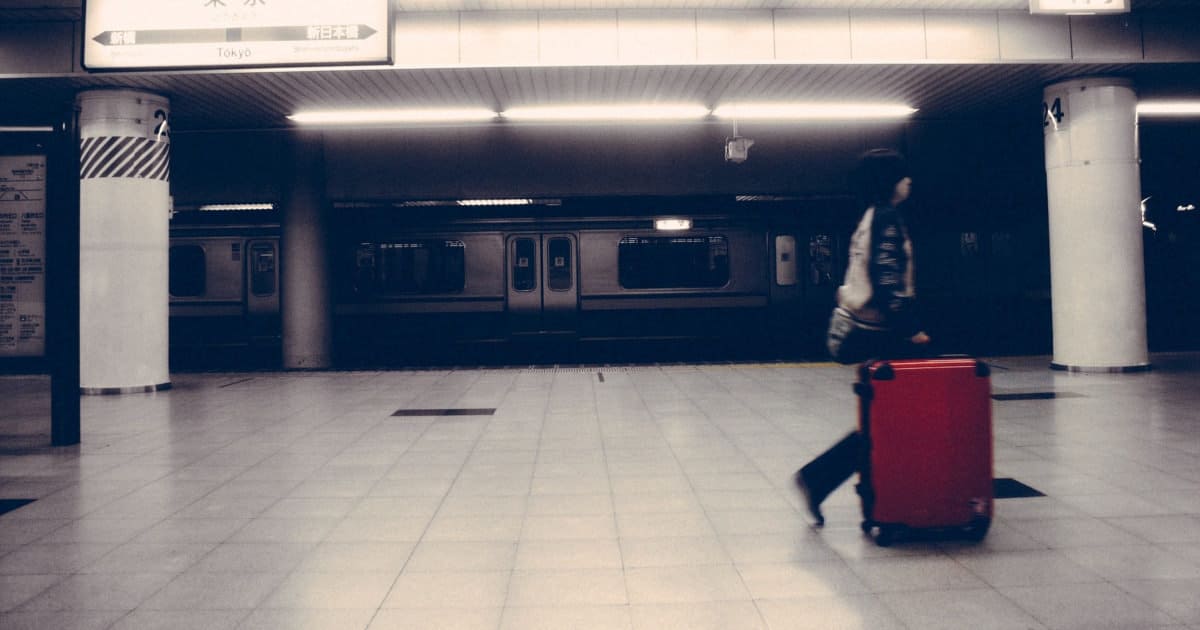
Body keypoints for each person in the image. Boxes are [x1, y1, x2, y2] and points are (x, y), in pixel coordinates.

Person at [795, 148, 931, 526]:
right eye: (903, 176)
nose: (909, 182)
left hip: (866, 328)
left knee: (885, 417)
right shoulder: (887, 217)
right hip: (882, 333)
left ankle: (855, 485)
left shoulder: (870, 217)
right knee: (895, 418)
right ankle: (826, 479)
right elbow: (887, 276)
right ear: (889, 181)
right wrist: (912, 330)